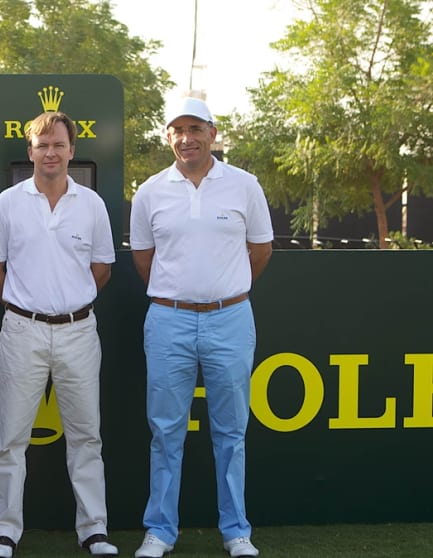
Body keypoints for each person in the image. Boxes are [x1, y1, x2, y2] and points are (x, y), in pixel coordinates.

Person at [129, 97, 273, 558]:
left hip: (230, 318)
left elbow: (261, 248)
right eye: (177, 129)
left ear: (213, 132)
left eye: (195, 128)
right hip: (167, 319)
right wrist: (179, 295)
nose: (186, 137)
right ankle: (160, 531)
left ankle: (236, 532)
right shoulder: (150, 191)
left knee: (231, 431)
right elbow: (144, 258)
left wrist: (223, 290)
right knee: (165, 430)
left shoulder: (244, 185)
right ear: (168, 136)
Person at [0, 111, 119, 558]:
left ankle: (94, 530)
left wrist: (67, 304)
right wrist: (27, 306)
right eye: (43, 145)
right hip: (22, 331)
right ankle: (4, 531)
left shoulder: (92, 205)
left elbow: (101, 270)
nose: (51, 153)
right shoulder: (8, 203)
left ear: (72, 150)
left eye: (59, 145)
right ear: (31, 151)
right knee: (11, 439)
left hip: (79, 332)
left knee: (86, 436)